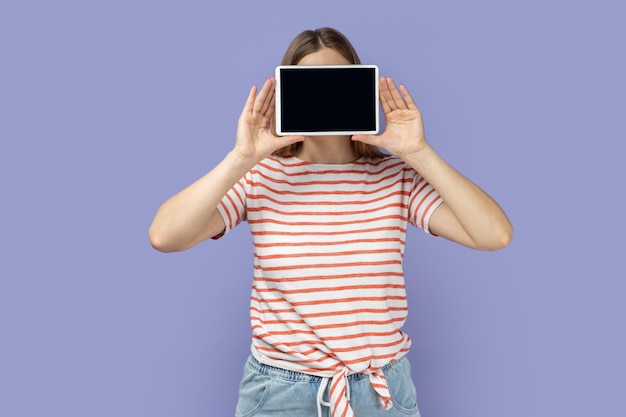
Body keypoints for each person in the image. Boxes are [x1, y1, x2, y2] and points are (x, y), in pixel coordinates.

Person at [149, 27, 512, 417]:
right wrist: (241, 158)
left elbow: (494, 234)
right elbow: (165, 236)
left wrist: (420, 153)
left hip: (380, 392)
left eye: (335, 82)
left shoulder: (396, 179)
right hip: (278, 394)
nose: (323, 95)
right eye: (308, 85)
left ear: (357, 87)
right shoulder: (260, 177)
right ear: (289, 94)